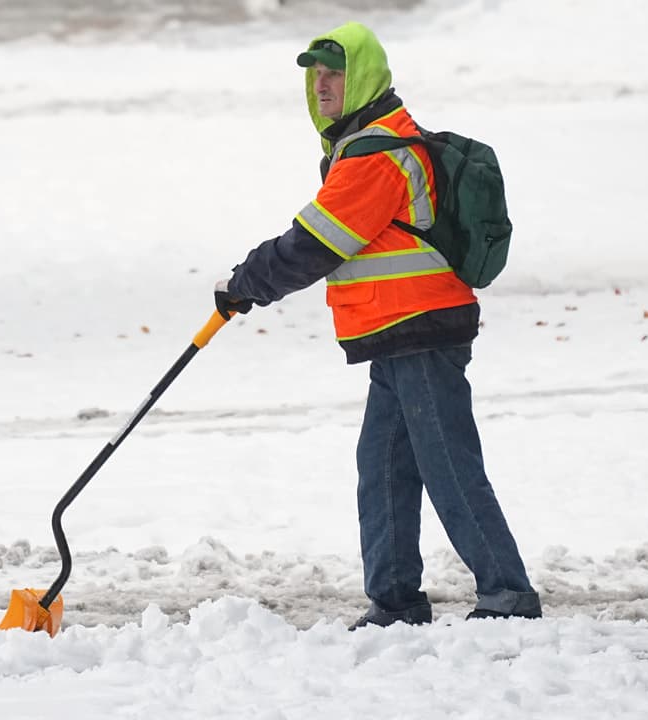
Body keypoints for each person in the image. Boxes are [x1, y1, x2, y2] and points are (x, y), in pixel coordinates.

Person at [214, 21, 541, 628]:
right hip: (396, 333)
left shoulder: (378, 154)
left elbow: (316, 244)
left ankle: (508, 595)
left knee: (447, 463)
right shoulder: (366, 144)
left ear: (362, 76)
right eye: (315, 74)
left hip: (423, 326)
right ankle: (395, 602)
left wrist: (247, 282)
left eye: (334, 72)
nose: (322, 85)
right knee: (384, 466)